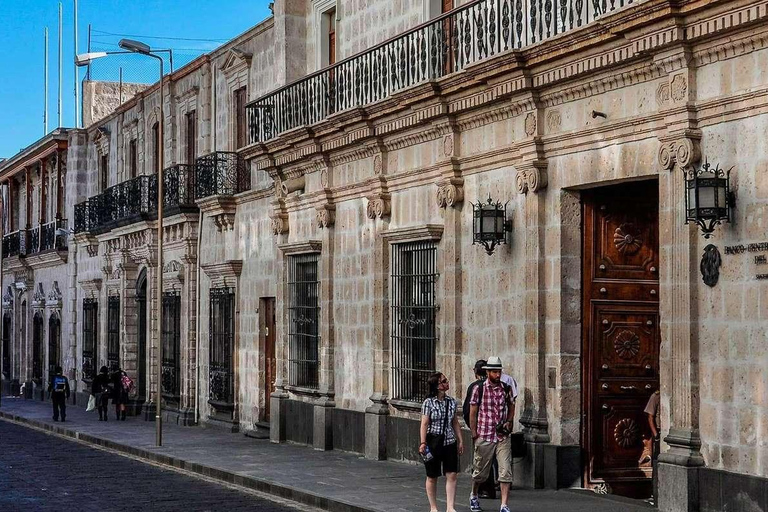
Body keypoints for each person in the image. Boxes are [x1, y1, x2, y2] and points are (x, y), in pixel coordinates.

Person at [469, 356, 516, 512]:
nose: (497, 375)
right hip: (485, 434)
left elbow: (511, 405)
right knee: (480, 472)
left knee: (505, 470)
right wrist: (474, 432)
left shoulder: (506, 388)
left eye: (499, 372)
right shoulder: (479, 389)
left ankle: (504, 505)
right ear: (488, 372)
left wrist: (509, 421)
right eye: (494, 372)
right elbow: (473, 411)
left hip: (502, 435)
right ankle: (474, 494)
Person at [419, 372, 464, 512]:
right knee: (432, 475)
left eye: (446, 380)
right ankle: (433, 507)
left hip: (449, 441)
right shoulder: (429, 403)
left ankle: (450, 507)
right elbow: (424, 423)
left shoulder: (451, 401)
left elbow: (455, 422)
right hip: (433, 441)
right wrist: (423, 442)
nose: (447, 383)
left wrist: (460, 440)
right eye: (444, 381)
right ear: (437, 386)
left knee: (452, 474)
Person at [463, 360, 495, 500]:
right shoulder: (495, 385)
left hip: (481, 430)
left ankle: (484, 489)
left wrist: (473, 429)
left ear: (475, 372)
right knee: (489, 459)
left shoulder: (475, 387)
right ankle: (490, 487)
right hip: (494, 429)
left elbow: (467, 410)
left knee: (481, 460)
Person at [644, 390, 661, 505]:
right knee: (656, 464)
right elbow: (650, 417)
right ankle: (654, 494)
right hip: (659, 434)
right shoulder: (655, 396)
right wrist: (656, 435)